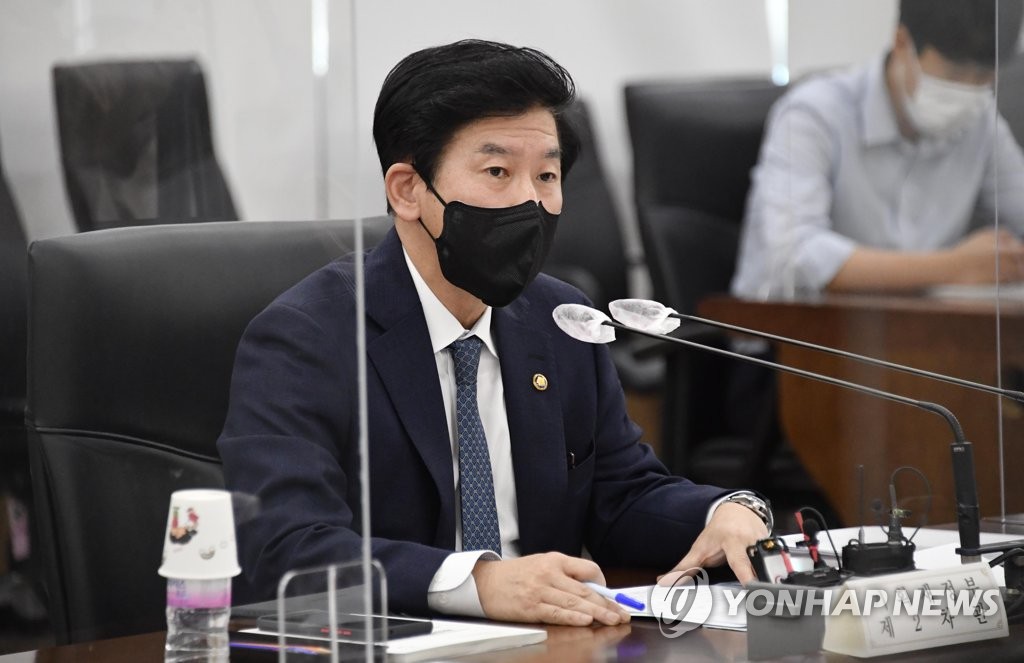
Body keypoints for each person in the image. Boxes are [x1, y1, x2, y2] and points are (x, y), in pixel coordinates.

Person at [218, 39, 769, 627]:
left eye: (548, 175)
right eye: (498, 172)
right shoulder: (306, 338)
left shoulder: (561, 321)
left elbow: (622, 498)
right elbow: (284, 548)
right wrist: (478, 583)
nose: (531, 202)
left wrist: (724, 511)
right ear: (407, 190)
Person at [733, 0, 1024, 300]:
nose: (968, 89)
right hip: (790, 334)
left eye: (984, 77)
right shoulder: (814, 114)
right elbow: (793, 256)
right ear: (901, 43)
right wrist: (953, 267)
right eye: (955, 73)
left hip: (912, 336)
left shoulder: (980, 123)